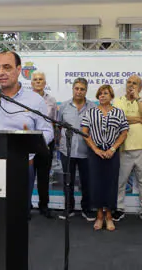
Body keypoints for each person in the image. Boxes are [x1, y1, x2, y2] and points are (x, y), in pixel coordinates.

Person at [0, 51, 54, 216]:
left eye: (7, 67)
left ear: (19, 70)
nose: (0, 72)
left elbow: (48, 130)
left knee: (19, 217)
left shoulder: (34, 100)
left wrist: (30, 142)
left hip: (22, 166)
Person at [81, 85, 128, 231]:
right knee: (96, 184)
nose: (102, 96)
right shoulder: (90, 112)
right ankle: (99, 216)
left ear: (111, 96)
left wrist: (113, 148)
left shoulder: (119, 112)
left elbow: (124, 132)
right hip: (95, 153)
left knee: (111, 184)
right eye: (100, 94)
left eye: (105, 93)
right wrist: (95, 149)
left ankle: (109, 216)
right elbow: (84, 132)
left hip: (112, 153)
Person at [112, 75, 142, 223]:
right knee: (120, 181)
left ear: (140, 87)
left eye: (134, 83)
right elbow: (118, 118)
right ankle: (119, 208)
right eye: (129, 82)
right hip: (123, 147)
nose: (131, 85)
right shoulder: (118, 101)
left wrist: (138, 99)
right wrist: (138, 120)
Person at [56, 77, 96, 221]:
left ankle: (87, 209)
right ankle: (69, 208)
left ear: (86, 91)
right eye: (77, 88)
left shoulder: (92, 107)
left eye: (82, 89)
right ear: (73, 89)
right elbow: (59, 126)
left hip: (86, 151)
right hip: (67, 150)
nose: (79, 91)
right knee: (68, 181)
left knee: (87, 182)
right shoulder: (64, 106)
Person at [31, 71, 57, 218]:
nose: (38, 81)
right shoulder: (25, 100)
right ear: (32, 83)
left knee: (43, 175)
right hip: (28, 142)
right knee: (27, 175)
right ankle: (26, 205)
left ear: (45, 83)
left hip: (46, 142)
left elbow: (53, 122)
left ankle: (44, 205)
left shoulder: (52, 101)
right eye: (35, 79)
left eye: (41, 79)